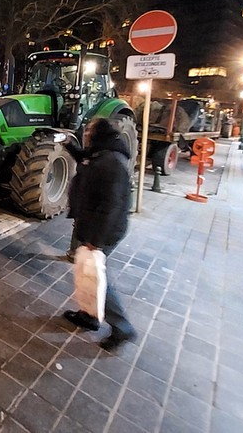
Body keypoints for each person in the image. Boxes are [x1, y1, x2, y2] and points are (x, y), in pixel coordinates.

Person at [62, 117, 137, 351]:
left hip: (102, 231)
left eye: (89, 132)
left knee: (98, 277)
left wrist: (95, 239)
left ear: (99, 134)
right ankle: (89, 315)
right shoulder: (103, 153)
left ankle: (122, 327)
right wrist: (70, 147)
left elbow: (112, 205)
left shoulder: (111, 162)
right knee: (86, 272)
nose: (86, 135)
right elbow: (87, 163)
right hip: (92, 225)